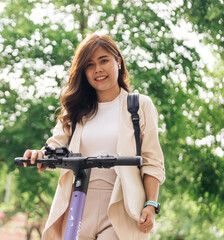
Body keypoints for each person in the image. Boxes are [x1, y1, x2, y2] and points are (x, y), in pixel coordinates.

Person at [23, 34, 165, 240]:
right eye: (90, 64)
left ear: (118, 62)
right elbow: (55, 145)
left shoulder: (139, 106)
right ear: (84, 72)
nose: (98, 69)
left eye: (104, 60)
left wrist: (151, 204)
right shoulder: (77, 110)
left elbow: (152, 160)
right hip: (77, 203)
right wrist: (40, 154)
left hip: (120, 204)